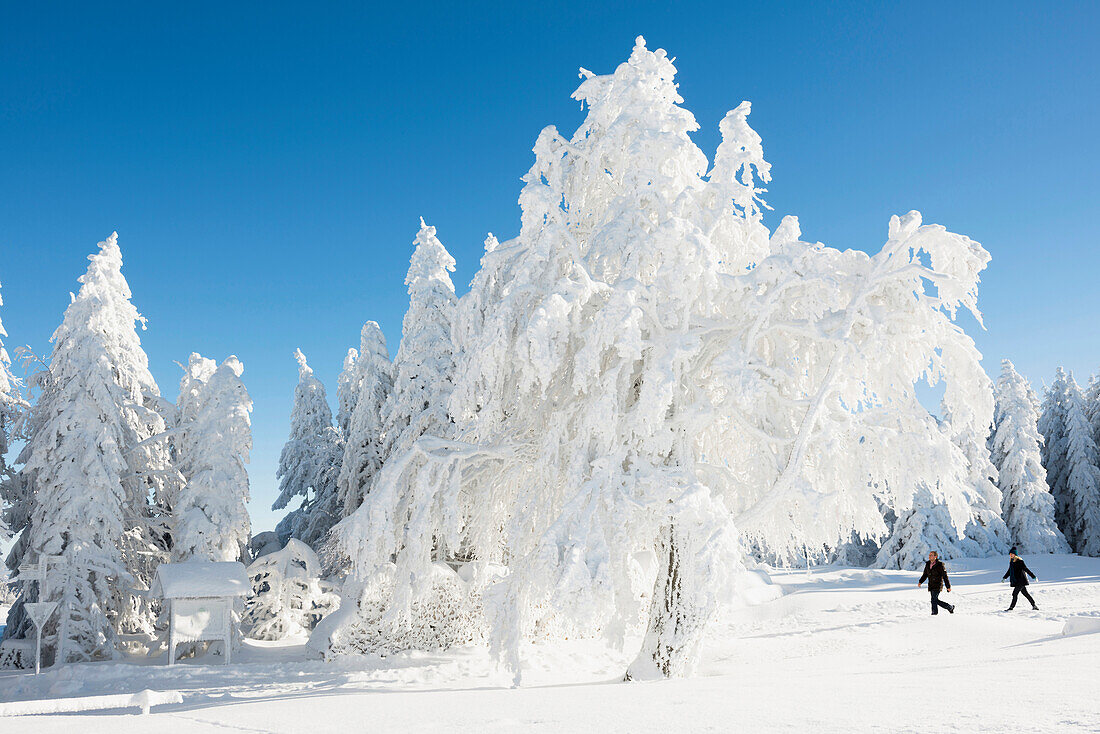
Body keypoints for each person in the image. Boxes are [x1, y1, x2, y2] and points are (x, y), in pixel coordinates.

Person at [918, 550, 955, 615]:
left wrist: (948, 586)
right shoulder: (927, 564)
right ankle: (949, 607)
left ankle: (934, 613)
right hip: (931, 585)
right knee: (935, 600)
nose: (929, 556)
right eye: (929, 555)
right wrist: (920, 582)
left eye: (931, 555)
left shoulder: (940, 564)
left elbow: (945, 576)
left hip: (938, 585)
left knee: (933, 600)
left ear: (935, 556)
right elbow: (925, 574)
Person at [1002, 547, 1039, 611]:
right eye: (1010, 554)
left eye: (1012, 554)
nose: (1010, 555)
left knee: (1014, 593)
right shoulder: (1011, 562)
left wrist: (1033, 576)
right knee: (1025, 594)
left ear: (1015, 554)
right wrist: (1004, 578)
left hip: (1021, 581)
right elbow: (1009, 571)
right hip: (1017, 581)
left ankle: (1011, 608)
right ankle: (1034, 605)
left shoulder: (1020, 561)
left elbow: (1026, 569)